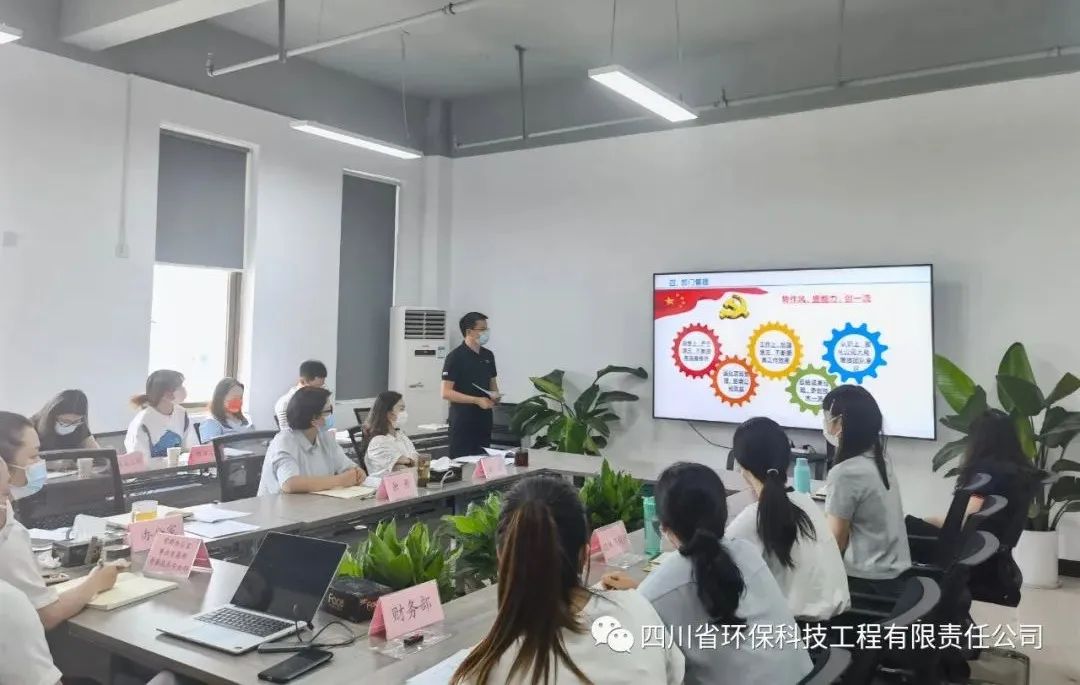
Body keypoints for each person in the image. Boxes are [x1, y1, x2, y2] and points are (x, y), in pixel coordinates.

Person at [451, 475, 683, 685]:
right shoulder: (637, 609)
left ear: (502, 556)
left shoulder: (482, 670)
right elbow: (674, 675)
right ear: (584, 554)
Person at [603, 462, 811, 685]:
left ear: (664, 528)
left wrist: (642, 596)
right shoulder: (747, 553)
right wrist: (643, 593)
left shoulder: (655, 595)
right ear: (723, 514)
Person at [0, 412, 119, 630]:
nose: (40, 464)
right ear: (3, 465)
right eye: (33, 456)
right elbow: (46, 615)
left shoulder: (6, 514)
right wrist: (95, 583)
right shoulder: (7, 533)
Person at [907, 409, 1039, 602]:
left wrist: (925, 521)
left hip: (967, 554)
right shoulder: (1020, 471)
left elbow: (964, 520)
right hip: (988, 554)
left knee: (907, 526)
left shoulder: (987, 472)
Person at [726, 417, 850, 621]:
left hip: (791, 629)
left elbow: (714, 569)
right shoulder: (807, 503)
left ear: (742, 467)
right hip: (832, 624)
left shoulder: (753, 517)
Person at [822, 385, 911, 596]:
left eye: (828, 418)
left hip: (867, 583)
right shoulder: (880, 459)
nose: (826, 425)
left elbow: (836, 540)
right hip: (894, 577)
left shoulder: (846, 472)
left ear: (842, 423)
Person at [258, 387, 366, 495]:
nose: (331, 416)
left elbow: (348, 468)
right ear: (313, 419)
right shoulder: (284, 442)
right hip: (280, 504)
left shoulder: (325, 437)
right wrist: (340, 481)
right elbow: (290, 484)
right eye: (328, 411)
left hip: (315, 502)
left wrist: (357, 473)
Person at [441, 312, 500, 458]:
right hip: (463, 420)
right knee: (462, 462)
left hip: (484, 419)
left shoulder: (488, 355)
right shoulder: (455, 357)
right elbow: (446, 392)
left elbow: (493, 384)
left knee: (483, 460)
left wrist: (496, 395)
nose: (486, 333)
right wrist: (476, 400)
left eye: (487, 329)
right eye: (482, 329)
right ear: (469, 332)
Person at [124, 370, 198, 459]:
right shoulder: (142, 422)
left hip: (181, 467)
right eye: (179, 387)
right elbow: (140, 460)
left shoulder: (181, 413)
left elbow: (191, 449)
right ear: (165, 393)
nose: (183, 389)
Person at [363, 391, 417, 477]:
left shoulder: (400, 435)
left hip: (407, 481)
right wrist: (412, 461)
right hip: (386, 484)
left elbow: (415, 457)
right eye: (401, 409)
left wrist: (412, 461)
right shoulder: (378, 441)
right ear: (388, 413)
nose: (405, 413)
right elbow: (402, 466)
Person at [31, 390, 100, 453]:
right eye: (65, 421)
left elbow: (98, 453)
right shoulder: (30, 428)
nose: (70, 426)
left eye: (75, 421)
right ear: (52, 415)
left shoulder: (79, 425)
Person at [274, 360, 328, 429]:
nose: (321, 391)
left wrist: (325, 422)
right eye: (316, 388)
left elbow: (328, 420)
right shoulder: (285, 403)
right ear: (302, 381)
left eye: (322, 386)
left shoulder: (319, 397)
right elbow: (287, 433)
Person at [199, 378, 255, 442]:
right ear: (220, 397)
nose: (238, 401)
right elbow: (212, 447)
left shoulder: (246, 419)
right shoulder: (211, 423)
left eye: (240, 397)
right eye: (234, 397)